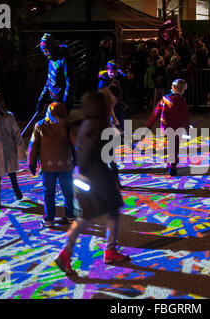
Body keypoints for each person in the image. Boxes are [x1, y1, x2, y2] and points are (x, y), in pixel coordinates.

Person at [55, 91, 129, 274]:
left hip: (82, 176)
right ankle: (109, 250)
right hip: (96, 178)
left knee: (85, 217)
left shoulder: (87, 124)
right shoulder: (100, 126)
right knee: (110, 212)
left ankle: (66, 253)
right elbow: (104, 152)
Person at [27, 102, 77, 227]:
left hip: (48, 166)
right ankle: (70, 215)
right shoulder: (67, 125)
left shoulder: (40, 125)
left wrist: (31, 163)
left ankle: (49, 219)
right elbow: (75, 144)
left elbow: (32, 147)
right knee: (67, 191)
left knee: (49, 193)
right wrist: (77, 161)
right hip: (65, 165)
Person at [145, 79, 190, 176]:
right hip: (178, 127)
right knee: (174, 146)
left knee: (171, 144)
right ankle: (172, 166)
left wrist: (148, 126)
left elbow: (155, 113)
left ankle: (171, 163)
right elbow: (185, 116)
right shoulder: (182, 101)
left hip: (166, 126)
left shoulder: (164, 99)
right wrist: (187, 129)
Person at [36, 33, 75, 116]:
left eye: (46, 51)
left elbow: (70, 82)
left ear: (51, 48)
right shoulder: (51, 60)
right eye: (43, 51)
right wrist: (41, 98)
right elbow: (49, 80)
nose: (45, 54)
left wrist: (65, 104)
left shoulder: (64, 60)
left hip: (62, 101)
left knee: (57, 126)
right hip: (54, 99)